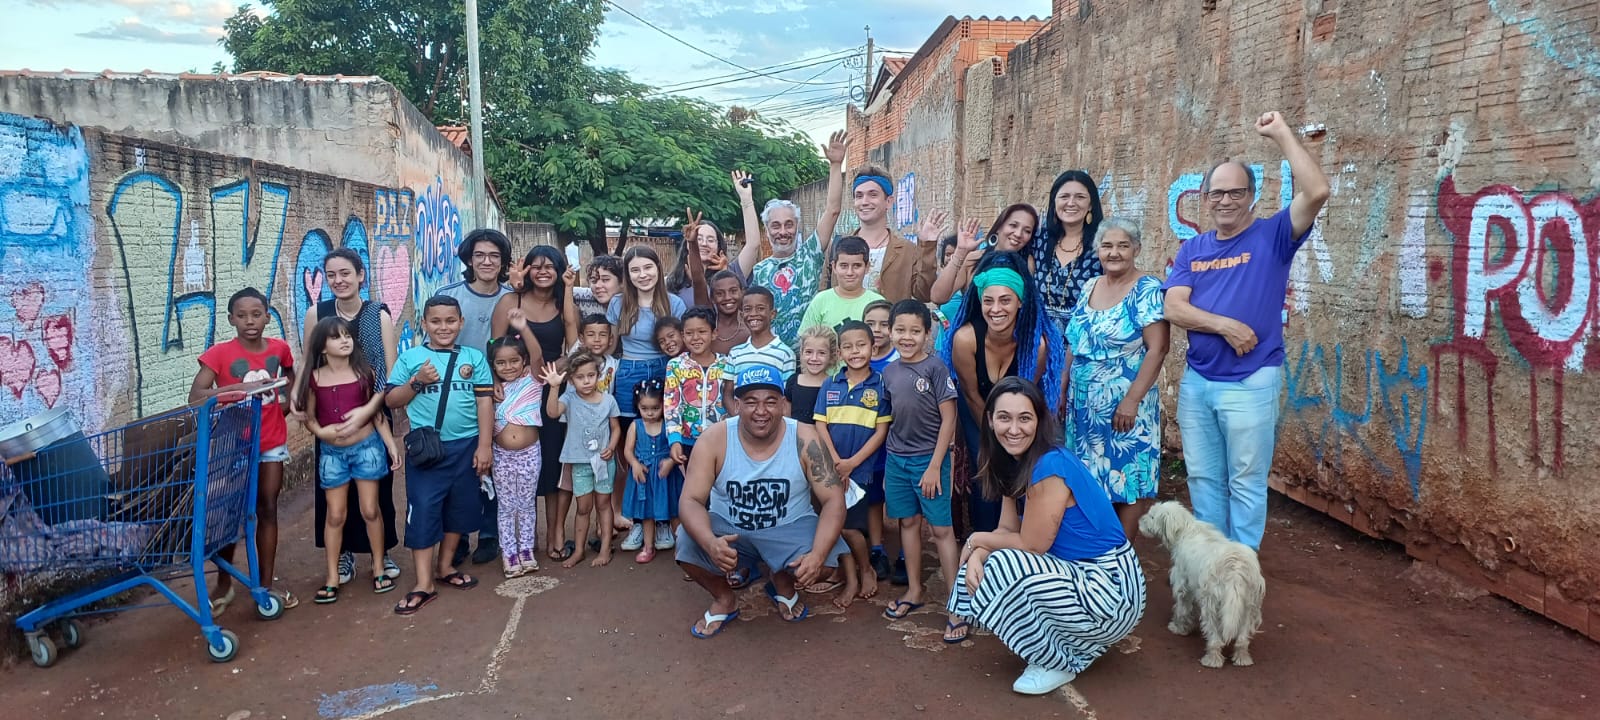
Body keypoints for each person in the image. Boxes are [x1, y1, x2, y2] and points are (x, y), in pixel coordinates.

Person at [1163, 111, 1331, 550]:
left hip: (1251, 380)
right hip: (1199, 382)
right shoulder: (1193, 249)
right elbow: (1173, 306)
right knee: (1203, 480)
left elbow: (1317, 190)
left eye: (1235, 192)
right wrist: (1224, 326)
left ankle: (1239, 575)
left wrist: (1281, 134)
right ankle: (1211, 572)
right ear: (1205, 199)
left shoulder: (1273, 235)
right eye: (1217, 193)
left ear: (1251, 198)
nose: (1225, 201)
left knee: (1246, 484)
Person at [950, 377, 1146, 695]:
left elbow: (1031, 545)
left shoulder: (1049, 464)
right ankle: (1080, 644)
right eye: (1004, 417)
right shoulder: (1013, 461)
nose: (1014, 429)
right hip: (1083, 574)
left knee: (1004, 567)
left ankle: (1056, 661)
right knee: (991, 561)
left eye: (1024, 418)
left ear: (1039, 420)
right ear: (989, 420)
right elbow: (1007, 530)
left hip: (1112, 586)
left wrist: (976, 541)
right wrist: (980, 550)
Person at [674, 364, 850, 638]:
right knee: (686, 543)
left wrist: (815, 556)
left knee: (827, 561)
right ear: (736, 404)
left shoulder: (804, 437)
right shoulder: (714, 438)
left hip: (788, 526)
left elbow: (834, 500)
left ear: (783, 403)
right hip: (730, 530)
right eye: (751, 402)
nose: (760, 411)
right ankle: (724, 599)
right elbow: (690, 500)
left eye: (770, 401)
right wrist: (710, 542)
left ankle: (780, 579)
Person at [942, 250, 1064, 536]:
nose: (996, 309)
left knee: (1021, 467)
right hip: (977, 410)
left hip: (1018, 411)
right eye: (989, 301)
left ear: (1020, 302)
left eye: (1005, 300)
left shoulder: (1037, 346)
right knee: (985, 467)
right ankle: (984, 540)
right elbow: (971, 393)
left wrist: (1009, 432)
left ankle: (1024, 538)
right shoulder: (965, 338)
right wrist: (991, 434)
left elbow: (1025, 397)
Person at [385, 295, 493, 615]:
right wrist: (418, 382)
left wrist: (484, 445)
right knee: (423, 513)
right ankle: (423, 583)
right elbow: (391, 399)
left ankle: (445, 567)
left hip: (466, 447)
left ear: (461, 322)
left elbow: (484, 403)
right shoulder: (411, 358)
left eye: (450, 321)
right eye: (436, 321)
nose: (443, 327)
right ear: (424, 324)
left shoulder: (474, 357)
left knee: (459, 511)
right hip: (427, 450)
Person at [190, 288, 296, 613]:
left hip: (270, 442)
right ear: (231, 319)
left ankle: (264, 584)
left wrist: (287, 404)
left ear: (267, 316)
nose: (250, 321)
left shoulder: (279, 348)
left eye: (256, 314)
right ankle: (224, 582)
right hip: (233, 446)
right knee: (228, 512)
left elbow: (290, 376)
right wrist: (239, 389)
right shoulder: (219, 354)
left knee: (267, 508)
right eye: (241, 315)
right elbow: (197, 395)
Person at [299, 249, 401, 588]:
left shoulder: (376, 314)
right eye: (331, 275)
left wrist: (367, 412)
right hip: (330, 413)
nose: (339, 281)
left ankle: (380, 554)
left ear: (361, 275)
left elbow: (388, 372)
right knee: (333, 496)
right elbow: (307, 361)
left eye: (345, 273)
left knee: (376, 493)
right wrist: (299, 401)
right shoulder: (318, 313)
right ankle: (341, 553)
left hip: (371, 408)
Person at [1065, 218, 1170, 539]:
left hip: (1124, 411)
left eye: (1123, 245)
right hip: (1083, 410)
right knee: (1089, 479)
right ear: (1097, 250)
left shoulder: (1147, 289)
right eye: (1107, 245)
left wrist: (1132, 400)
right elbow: (1073, 341)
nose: (1114, 253)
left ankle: (1119, 557)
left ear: (1136, 249)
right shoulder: (1089, 287)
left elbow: (1159, 347)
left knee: (1125, 480)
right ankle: (1095, 551)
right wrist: (1060, 388)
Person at [878, 301, 964, 645]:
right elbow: (890, 420)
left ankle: (958, 605)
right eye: (900, 330)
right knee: (907, 524)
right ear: (890, 331)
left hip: (931, 461)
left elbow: (949, 420)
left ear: (928, 334)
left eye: (915, 331)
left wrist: (934, 466)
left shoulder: (936, 369)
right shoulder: (889, 372)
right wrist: (888, 467)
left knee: (941, 530)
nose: (907, 337)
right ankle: (914, 590)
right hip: (897, 460)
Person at [441, 229, 517, 567]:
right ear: (469, 259)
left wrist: (500, 377)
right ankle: (456, 537)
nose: (487, 261)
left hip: (498, 391)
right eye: (480, 255)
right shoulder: (449, 295)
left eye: (494, 256)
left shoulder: (513, 297)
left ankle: (489, 534)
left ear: (503, 262)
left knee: (494, 465)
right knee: (458, 466)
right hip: (456, 394)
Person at [736, 131, 847, 350]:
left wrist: (835, 165)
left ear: (797, 227)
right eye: (775, 226)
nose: (783, 231)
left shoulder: (811, 254)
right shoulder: (760, 270)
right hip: (770, 356)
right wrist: (746, 200)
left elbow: (833, 210)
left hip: (808, 358)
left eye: (789, 224)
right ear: (767, 230)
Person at [811, 320, 890, 609]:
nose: (855, 351)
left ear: (873, 347)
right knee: (835, 526)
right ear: (839, 352)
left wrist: (852, 463)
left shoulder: (880, 386)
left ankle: (865, 568)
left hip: (861, 472)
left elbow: (881, 432)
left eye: (861, 345)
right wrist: (835, 462)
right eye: (848, 346)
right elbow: (820, 426)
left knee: (851, 528)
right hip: (831, 470)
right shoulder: (830, 384)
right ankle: (850, 577)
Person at [540, 349, 623, 568]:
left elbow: (615, 429)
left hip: (604, 462)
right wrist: (554, 386)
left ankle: (605, 549)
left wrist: (612, 447)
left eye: (591, 375)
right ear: (571, 379)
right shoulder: (568, 397)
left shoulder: (609, 400)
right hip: (579, 463)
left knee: (604, 505)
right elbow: (552, 413)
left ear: (598, 375)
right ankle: (579, 550)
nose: (586, 381)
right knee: (583, 508)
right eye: (579, 377)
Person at [609, 246, 687, 418]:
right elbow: (611, 346)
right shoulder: (617, 303)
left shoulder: (675, 303)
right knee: (627, 426)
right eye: (635, 270)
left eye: (648, 267)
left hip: (667, 369)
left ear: (658, 268)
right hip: (629, 370)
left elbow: (682, 346)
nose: (643, 275)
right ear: (628, 275)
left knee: (666, 425)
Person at [489, 335, 544, 577]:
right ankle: (509, 553)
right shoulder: (492, 390)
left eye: (514, 361)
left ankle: (526, 550)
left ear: (524, 361)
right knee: (506, 506)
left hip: (530, 453)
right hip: (501, 455)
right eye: (501, 363)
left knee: (526, 505)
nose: (508, 367)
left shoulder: (533, 380)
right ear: (493, 366)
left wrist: (523, 327)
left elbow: (538, 356)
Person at [845, 165, 940, 302]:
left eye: (873, 195)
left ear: (889, 202)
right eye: (859, 196)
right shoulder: (838, 247)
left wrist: (928, 246)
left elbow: (924, 294)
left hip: (889, 322)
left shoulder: (907, 250)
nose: (864, 202)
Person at [1033, 171, 1107, 341]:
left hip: (1083, 347)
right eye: (1064, 196)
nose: (1071, 203)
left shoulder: (1103, 244)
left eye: (1080, 197)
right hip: (1038, 347)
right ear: (1054, 202)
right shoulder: (1038, 240)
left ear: (1090, 205)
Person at [666, 307, 732, 477]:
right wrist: (675, 440)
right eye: (689, 333)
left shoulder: (727, 364)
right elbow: (671, 405)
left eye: (702, 331)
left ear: (714, 333)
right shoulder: (675, 366)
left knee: (721, 485)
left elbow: (733, 400)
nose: (695, 338)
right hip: (689, 441)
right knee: (697, 486)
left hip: (722, 438)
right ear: (682, 335)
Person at [929, 204, 1040, 304]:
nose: (1018, 234)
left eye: (1027, 231)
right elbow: (938, 298)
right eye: (1013, 225)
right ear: (999, 227)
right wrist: (960, 252)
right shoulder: (974, 259)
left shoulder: (1027, 263)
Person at [621, 379, 677, 563]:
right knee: (646, 513)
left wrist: (670, 461)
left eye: (655, 408)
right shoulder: (635, 426)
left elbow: (677, 446)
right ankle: (648, 546)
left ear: (663, 405)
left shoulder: (669, 424)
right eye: (645, 408)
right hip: (644, 476)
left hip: (664, 475)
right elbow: (627, 450)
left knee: (674, 510)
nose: (650, 413)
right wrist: (635, 464)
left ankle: (683, 548)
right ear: (638, 406)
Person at [799, 237, 885, 333]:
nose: (850, 272)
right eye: (844, 266)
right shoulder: (821, 300)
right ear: (834, 267)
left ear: (867, 267)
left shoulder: (877, 303)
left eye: (857, 266)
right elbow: (806, 339)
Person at [726, 285, 795, 379]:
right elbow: (728, 392)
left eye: (760, 308)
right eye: (747, 309)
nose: (753, 314)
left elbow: (786, 391)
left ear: (772, 314)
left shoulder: (785, 354)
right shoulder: (735, 353)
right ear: (742, 316)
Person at [785, 324, 835, 425]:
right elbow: (787, 418)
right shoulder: (793, 382)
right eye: (809, 352)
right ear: (801, 353)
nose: (814, 358)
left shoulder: (835, 385)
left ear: (832, 355)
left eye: (821, 353)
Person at [708, 270, 750, 354]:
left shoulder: (750, 326)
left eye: (733, 291)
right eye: (720, 293)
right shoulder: (707, 327)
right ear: (712, 298)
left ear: (742, 293)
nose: (727, 297)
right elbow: (698, 282)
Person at [574, 254, 623, 319]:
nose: (597, 286)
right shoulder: (582, 297)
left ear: (622, 282)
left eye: (605, 280)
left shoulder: (635, 303)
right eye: (593, 280)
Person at [862, 299, 899, 372]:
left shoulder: (901, 358)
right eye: (870, 324)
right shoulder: (855, 356)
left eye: (884, 325)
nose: (876, 329)